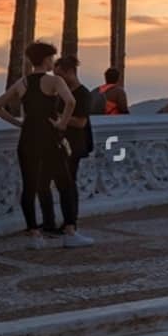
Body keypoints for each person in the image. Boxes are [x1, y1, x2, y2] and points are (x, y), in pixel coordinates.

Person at [0, 41, 83, 247]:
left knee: (29, 186)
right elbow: (71, 102)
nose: (52, 62)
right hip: (49, 136)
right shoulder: (54, 81)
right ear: (46, 59)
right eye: (51, 58)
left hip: (28, 137)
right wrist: (61, 123)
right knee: (65, 183)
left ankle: (34, 235)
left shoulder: (21, 83)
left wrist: (18, 123)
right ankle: (70, 231)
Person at [53, 56, 96, 244]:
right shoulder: (61, 92)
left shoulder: (82, 94)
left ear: (68, 71)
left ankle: (71, 223)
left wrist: (59, 118)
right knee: (64, 184)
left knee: (69, 183)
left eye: (59, 73)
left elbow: (81, 122)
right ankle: (67, 222)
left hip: (75, 145)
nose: (57, 78)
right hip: (62, 143)